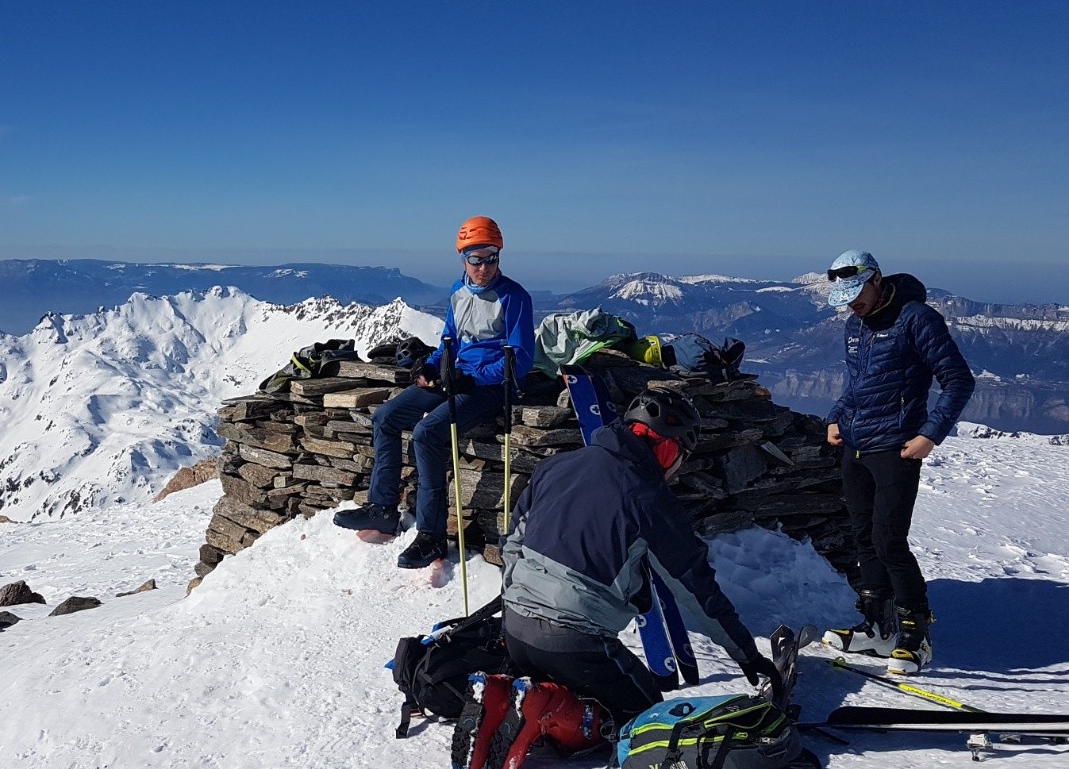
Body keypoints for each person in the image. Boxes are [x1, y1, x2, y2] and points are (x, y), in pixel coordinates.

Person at [494, 387, 777, 734]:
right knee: (648, 724)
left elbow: (510, 543)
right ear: (670, 449)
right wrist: (748, 656)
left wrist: (518, 599)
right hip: (576, 643)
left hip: (515, 629)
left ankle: (542, 708)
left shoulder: (556, 465)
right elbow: (697, 591)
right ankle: (575, 725)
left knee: (589, 691)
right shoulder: (650, 498)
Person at [332, 216, 535, 569]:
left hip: (489, 388)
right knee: (386, 417)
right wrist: (431, 366)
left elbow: (519, 361)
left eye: (491, 257)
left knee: (427, 434)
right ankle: (381, 507)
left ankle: (431, 536)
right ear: (463, 258)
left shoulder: (514, 297)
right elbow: (449, 342)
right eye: (476, 258)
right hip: (454, 377)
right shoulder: (458, 294)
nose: (484, 266)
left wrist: (472, 380)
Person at [819, 250, 975, 675]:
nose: (853, 305)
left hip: (895, 445)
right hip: (854, 442)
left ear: (877, 279)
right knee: (863, 536)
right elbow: (858, 382)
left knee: (889, 537)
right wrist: (836, 417)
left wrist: (930, 435)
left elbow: (959, 380)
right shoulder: (857, 325)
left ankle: (915, 633)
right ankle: (876, 626)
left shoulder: (916, 319)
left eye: (857, 295)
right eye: (846, 298)